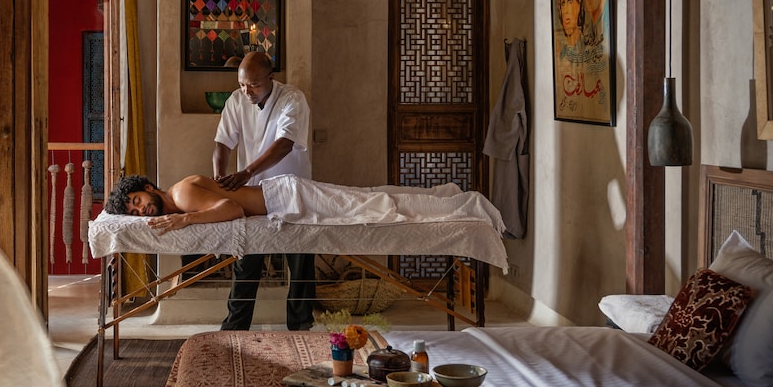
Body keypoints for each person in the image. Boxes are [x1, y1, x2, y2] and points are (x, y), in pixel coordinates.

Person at [211, 51, 314, 331]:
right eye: (242, 84)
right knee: (247, 259)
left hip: (291, 191)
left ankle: (300, 327)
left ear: (271, 78)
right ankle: (235, 328)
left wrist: (245, 173)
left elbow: (284, 144)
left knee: (299, 260)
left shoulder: (292, 99)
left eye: (254, 85)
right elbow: (222, 143)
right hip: (253, 194)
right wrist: (219, 177)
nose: (247, 91)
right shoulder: (236, 100)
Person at [104, 173, 505, 233]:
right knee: (371, 199)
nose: (142, 211)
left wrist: (185, 221)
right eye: (134, 212)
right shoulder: (179, 195)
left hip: (287, 198)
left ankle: (467, 207)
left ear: (149, 187)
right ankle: (445, 197)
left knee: (377, 207)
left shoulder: (181, 196)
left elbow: (233, 210)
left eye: (138, 201)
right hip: (285, 197)